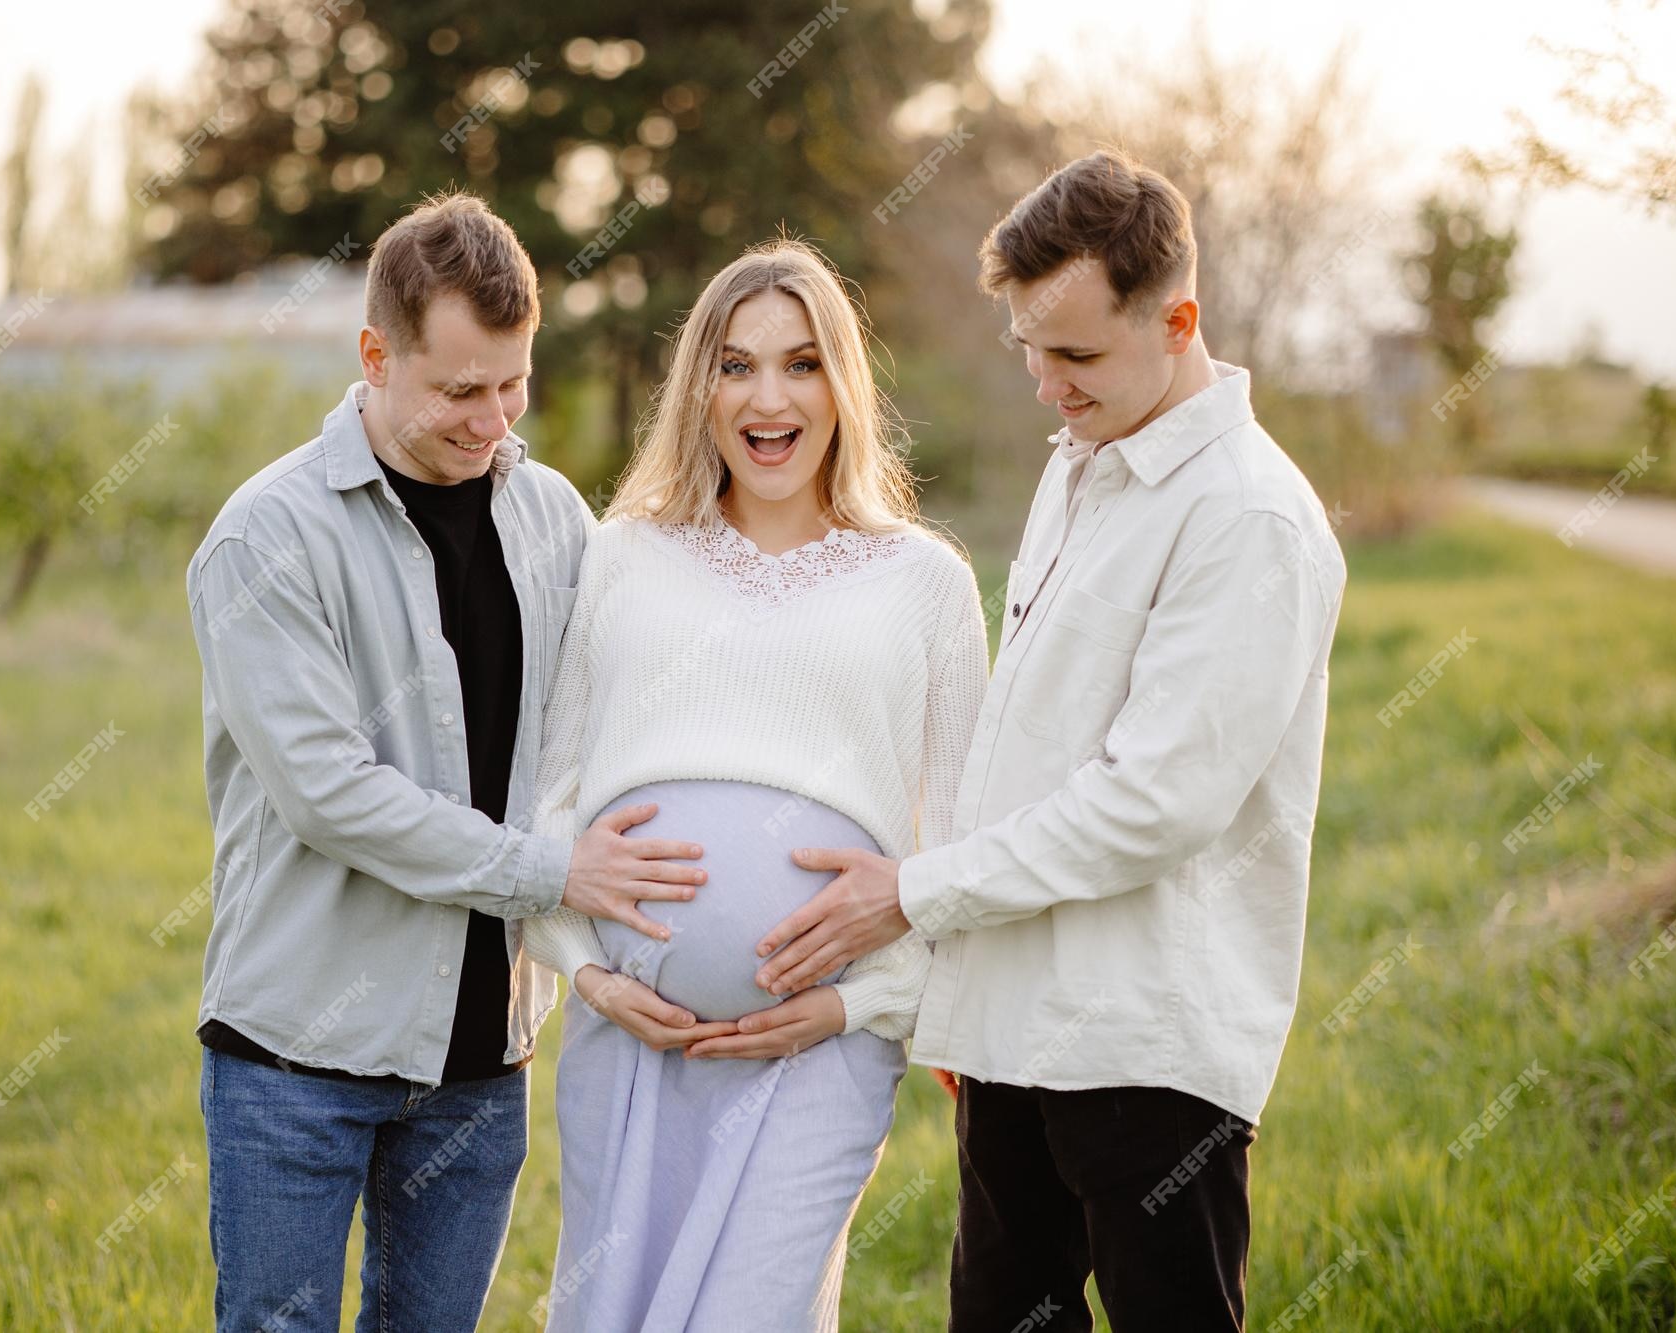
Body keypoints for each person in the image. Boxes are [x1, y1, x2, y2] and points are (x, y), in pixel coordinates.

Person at [750, 150, 1349, 1332]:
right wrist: (962, 989)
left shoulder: (1247, 516)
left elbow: (1152, 802)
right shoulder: (1082, 463)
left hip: (1144, 1048)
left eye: (1073, 353)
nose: (1044, 383)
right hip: (1015, 1028)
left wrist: (915, 897)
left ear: (1176, 320)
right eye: (1029, 348)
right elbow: (1026, 745)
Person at [186, 191, 708, 1333]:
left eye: (512, 382)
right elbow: (330, 794)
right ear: (374, 356)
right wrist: (550, 872)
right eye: (460, 389)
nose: (493, 418)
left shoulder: (557, 520)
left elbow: (605, 732)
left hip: (484, 1057)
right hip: (297, 1055)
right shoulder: (266, 537)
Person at [520, 238, 990, 1331]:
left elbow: (965, 854)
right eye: (734, 366)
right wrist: (589, 977)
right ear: (698, 388)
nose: (767, 398)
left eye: (800, 363)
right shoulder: (626, 556)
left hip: (821, 1046)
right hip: (629, 1043)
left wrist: (851, 1001)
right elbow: (548, 804)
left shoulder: (923, 582)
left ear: (843, 384)